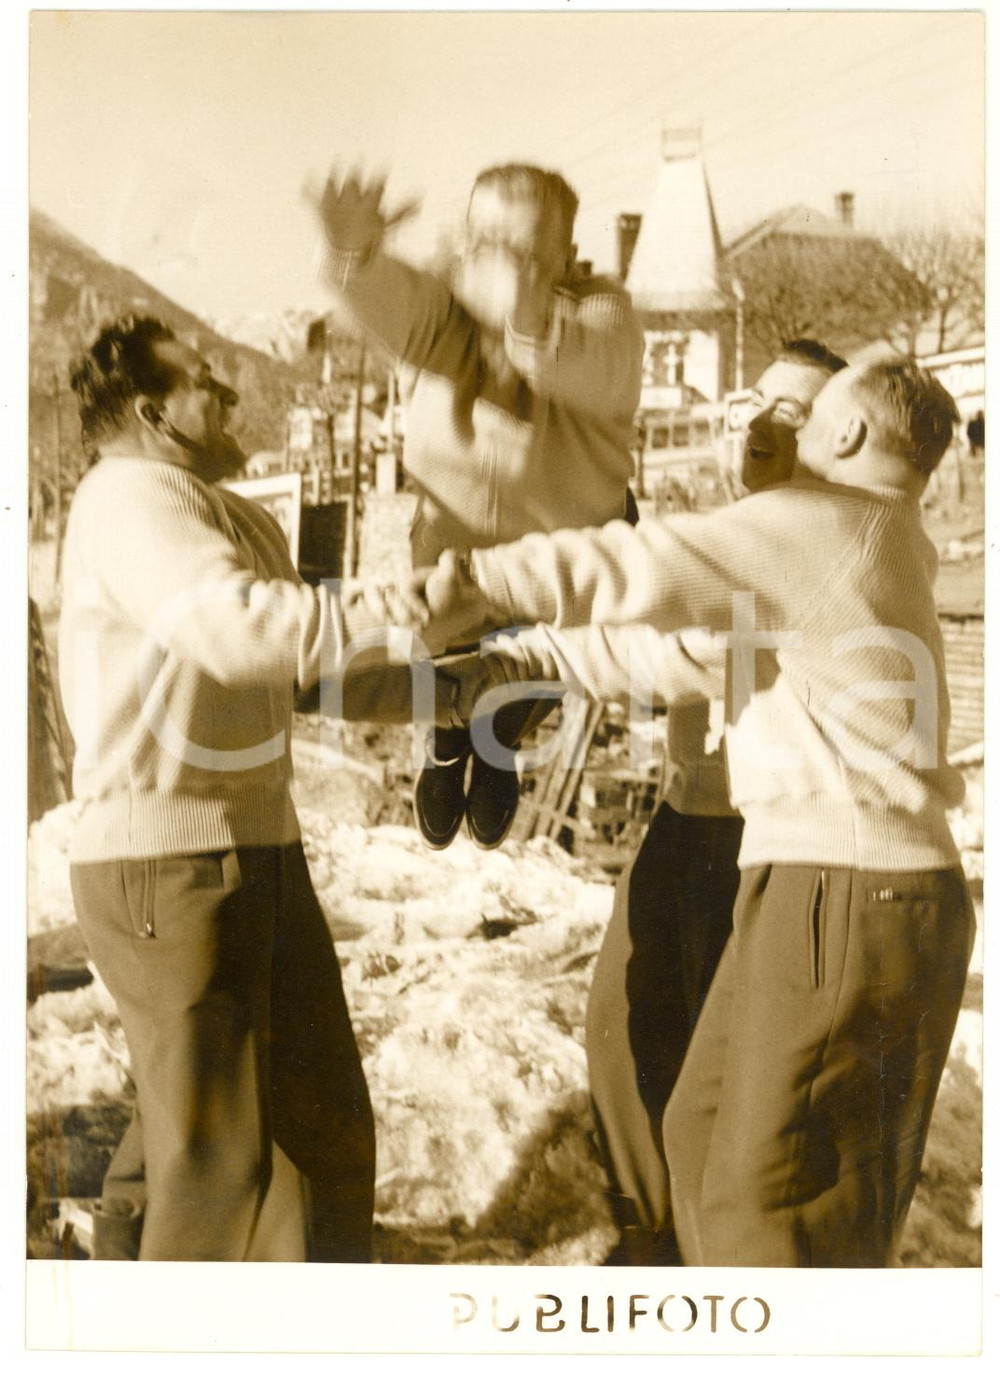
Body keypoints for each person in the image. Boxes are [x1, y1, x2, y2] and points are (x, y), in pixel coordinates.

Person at [421, 353, 974, 1267]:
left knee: (770, 1199)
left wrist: (476, 582)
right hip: (835, 881)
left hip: (851, 884)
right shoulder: (860, 539)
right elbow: (679, 655)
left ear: (839, 434)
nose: (770, 430)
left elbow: (636, 563)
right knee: (701, 1126)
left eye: (798, 414)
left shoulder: (822, 520)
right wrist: (513, 667)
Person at [57, 314, 432, 1262]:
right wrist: (439, 599)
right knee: (220, 1167)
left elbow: (305, 666)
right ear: (153, 412)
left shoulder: (230, 511)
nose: (228, 394)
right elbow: (242, 631)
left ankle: (159, 1305)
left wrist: (463, 681)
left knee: (311, 1130)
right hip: (165, 858)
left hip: (254, 847)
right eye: (205, 382)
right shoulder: (131, 497)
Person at [313, 162, 644, 850]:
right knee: (448, 669)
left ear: (564, 255)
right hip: (456, 552)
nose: (499, 261)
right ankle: (445, 747)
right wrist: (353, 259)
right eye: (484, 239)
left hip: (562, 558)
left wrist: (522, 310)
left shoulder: (599, 309)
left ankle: (498, 746)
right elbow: (393, 304)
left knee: (528, 681)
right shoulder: (444, 313)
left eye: (522, 249)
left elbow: (587, 365)